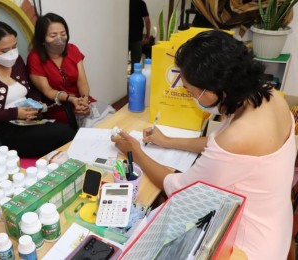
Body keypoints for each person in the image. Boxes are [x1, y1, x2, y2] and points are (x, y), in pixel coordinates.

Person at [112, 30, 296, 259]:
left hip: (247, 245)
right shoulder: (270, 97)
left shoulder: (237, 137)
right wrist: (167, 141)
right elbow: (218, 143)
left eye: (190, 90)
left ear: (215, 90)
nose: (189, 95)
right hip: (276, 222)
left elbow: (179, 189)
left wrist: (136, 152)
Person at [0, 21, 76, 158]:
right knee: (64, 136)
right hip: (6, 131)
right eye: (5, 51)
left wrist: (36, 104)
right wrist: (14, 113)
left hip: (31, 121)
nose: (11, 53)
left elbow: (31, 89)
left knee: (66, 134)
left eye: (14, 47)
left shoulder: (16, 62)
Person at [27, 13, 93, 126]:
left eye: (63, 34)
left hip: (81, 101)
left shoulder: (72, 49)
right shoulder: (35, 58)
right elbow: (47, 91)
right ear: (42, 38)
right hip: (59, 107)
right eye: (53, 35)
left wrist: (84, 99)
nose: (60, 39)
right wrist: (71, 99)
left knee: (109, 120)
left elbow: (82, 82)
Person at [129, 0, 151, 73]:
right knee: (135, 63)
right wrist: (148, 34)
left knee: (119, 62)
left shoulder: (123, 4)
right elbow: (147, 20)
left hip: (122, 37)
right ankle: (134, 79)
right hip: (136, 37)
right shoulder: (140, 3)